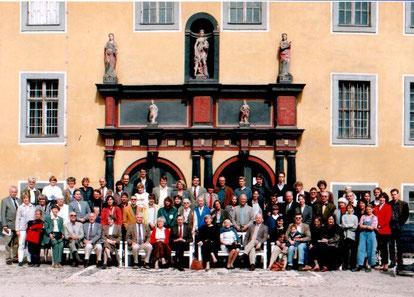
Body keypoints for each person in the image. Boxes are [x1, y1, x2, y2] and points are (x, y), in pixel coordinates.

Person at [388, 188, 410, 269]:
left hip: (399, 225)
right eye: (392, 194)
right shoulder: (389, 204)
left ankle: (400, 261)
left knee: (399, 244)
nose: (394, 196)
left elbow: (406, 214)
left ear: (398, 194)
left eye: (395, 194)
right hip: (391, 226)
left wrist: (401, 223)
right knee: (391, 245)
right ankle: (392, 261)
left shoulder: (403, 204)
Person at [1, 186, 22, 265]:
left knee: (16, 243)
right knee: (8, 242)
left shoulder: (19, 200)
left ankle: (15, 257)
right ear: (10, 192)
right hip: (8, 225)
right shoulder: (5, 201)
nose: (14, 193)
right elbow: (3, 213)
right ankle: (8, 258)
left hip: (17, 225)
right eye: (13, 192)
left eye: (15, 192)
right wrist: (4, 225)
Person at [354, 204, 377, 272]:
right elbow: (360, 226)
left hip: (371, 234)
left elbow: (373, 227)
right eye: (367, 209)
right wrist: (367, 227)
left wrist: (365, 226)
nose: (368, 211)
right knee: (361, 248)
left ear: (372, 209)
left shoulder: (374, 217)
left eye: (370, 209)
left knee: (371, 249)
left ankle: (369, 265)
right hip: (363, 234)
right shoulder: (363, 216)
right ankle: (359, 265)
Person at [373, 192, 392, 271]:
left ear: (385, 199)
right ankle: (381, 264)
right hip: (377, 230)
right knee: (379, 248)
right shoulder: (376, 207)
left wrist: (380, 226)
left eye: (383, 198)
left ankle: (386, 264)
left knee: (384, 248)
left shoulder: (388, 207)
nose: (381, 199)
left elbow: (388, 218)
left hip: (385, 230)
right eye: (380, 197)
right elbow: (374, 216)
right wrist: (375, 226)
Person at [15, 194, 36, 266]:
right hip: (22, 228)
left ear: (29, 199)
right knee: (21, 244)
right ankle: (20, 259)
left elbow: (34, 218)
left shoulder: (33, 207)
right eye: (24, 198)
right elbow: (17, 219)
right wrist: (17, 229)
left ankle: (29, 259)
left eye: (26, 198)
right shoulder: (20, 208)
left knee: (29, 244)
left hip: (31, 229)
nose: (25, 200)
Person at [341, 204, 358, 270]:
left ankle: (352, 265)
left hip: (352, 235)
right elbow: (343, 225)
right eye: (348, 208)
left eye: (351, 208)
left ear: (352, 209)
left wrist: (347, 227)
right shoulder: (344, 216)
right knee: (346, 251)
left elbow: (355, 227)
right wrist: (351, 225)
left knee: (353, 251)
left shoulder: (355, 217)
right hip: (345, 235)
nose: (349, 209)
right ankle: (345, 265)